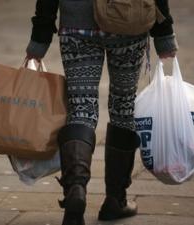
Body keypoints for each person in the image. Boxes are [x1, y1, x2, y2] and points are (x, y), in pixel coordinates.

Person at [26, 0, 178, 225]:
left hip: (78, 24)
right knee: (123, 108)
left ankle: (75, 191)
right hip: (128, 20)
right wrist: (164, 34)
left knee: (81, 107)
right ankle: (115, 200)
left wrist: (39, 38)